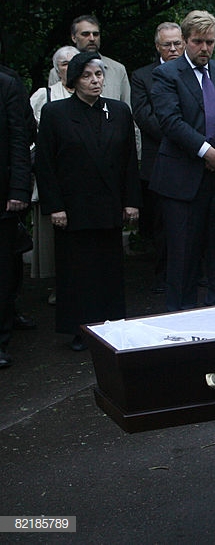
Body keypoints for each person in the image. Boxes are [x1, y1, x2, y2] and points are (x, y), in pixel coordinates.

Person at [35, 52, 141, 350]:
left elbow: (129, 160)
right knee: (77, 270)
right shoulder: (55, 113)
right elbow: (45, 164)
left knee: (109, 268)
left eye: (99, 75)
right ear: (74, 81)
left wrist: (131, 201)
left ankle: (112, 324)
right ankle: (80, 329)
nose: (95, 81)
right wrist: (55, 206)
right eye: (87, 76)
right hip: (73, 207)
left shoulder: (118, 111)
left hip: (108, 205)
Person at [150, 11, 215, 311]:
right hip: (183, 178)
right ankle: (180, 319)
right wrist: (207, 152)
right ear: (184, 41)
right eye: (198, 42)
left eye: (210, 42)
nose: (205, 48)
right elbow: (170, 121)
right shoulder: (167, 74)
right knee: (183, 256)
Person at [130, 22, 183, 294]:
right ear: (157, 47)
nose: (173, 49)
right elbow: (144, 116)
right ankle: (164, 276)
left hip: (193, 160)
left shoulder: (194, 71)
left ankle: (196, 273)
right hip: (161, 159)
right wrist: (184, 137)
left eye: (177, 43)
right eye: (167, 44)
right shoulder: (142, 76)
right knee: (162, 224)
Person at [28, 46, 77, 287]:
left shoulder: (95, 96)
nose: (70, 67)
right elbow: (28, 135)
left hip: (84, 181)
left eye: (74, 61)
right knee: (54, 238)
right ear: (57, 69)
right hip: (53, 177)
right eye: (64, 63)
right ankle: (58, 288)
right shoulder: (43, 96)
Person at [0, 69, 33, 367]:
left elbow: (19, 139)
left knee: (3, 271)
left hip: (3, 197)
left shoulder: (7, 84)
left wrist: (19, 189)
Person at [47, 16, 132, 110]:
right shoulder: (58, 71)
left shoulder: (118, 69)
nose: (92, 38)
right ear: (74, 37)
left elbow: (127, 108)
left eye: (95, 34)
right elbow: (52, 104)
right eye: (85, 34)